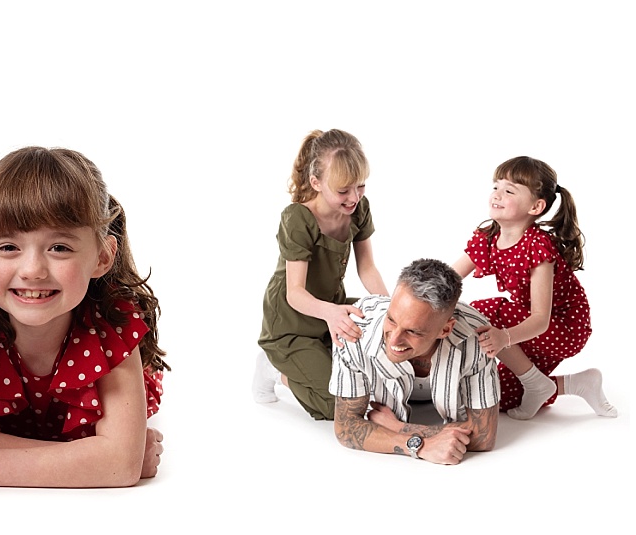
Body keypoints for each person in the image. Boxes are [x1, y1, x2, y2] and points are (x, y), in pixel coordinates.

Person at [0, 146, 171, 487]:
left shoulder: (110, 325)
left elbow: (120, 466)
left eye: (59, 248)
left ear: (102, 258)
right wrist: (97, 457)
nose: (32, 270)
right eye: (9, 247)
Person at [453, 156, 615, 420]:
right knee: (501, 394)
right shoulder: (489, 237)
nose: (497, 194)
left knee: (482, 311)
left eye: (509, 191)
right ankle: (578, 383)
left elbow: (540, 319)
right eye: (496, 186)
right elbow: (448, 279)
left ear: (536, 206)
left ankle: (534, 382)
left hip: (563, 328)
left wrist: (503, 338)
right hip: (527, 327)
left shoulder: (538, 245)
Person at [254, 129, 387, 420]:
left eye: (360, 186)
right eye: (343, 191)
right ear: (316, 183)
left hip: (332, 308)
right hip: (292, 320)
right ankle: (274, 369)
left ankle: (322, 351)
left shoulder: (359, 209)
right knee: (339, 406)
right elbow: (295, 293)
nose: (354, 197)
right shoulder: (298, 218)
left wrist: (389, 308)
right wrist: (331, 314)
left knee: (378, 364)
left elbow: (367, 268)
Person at [330, 259, 498, 464]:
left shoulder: (477, 340)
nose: (394, 340)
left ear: (445, 329)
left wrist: (398, 427)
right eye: (391, 319)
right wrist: (420, 446)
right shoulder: (354, 331)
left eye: (412, 331)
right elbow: (346, 428)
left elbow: (484, 436)